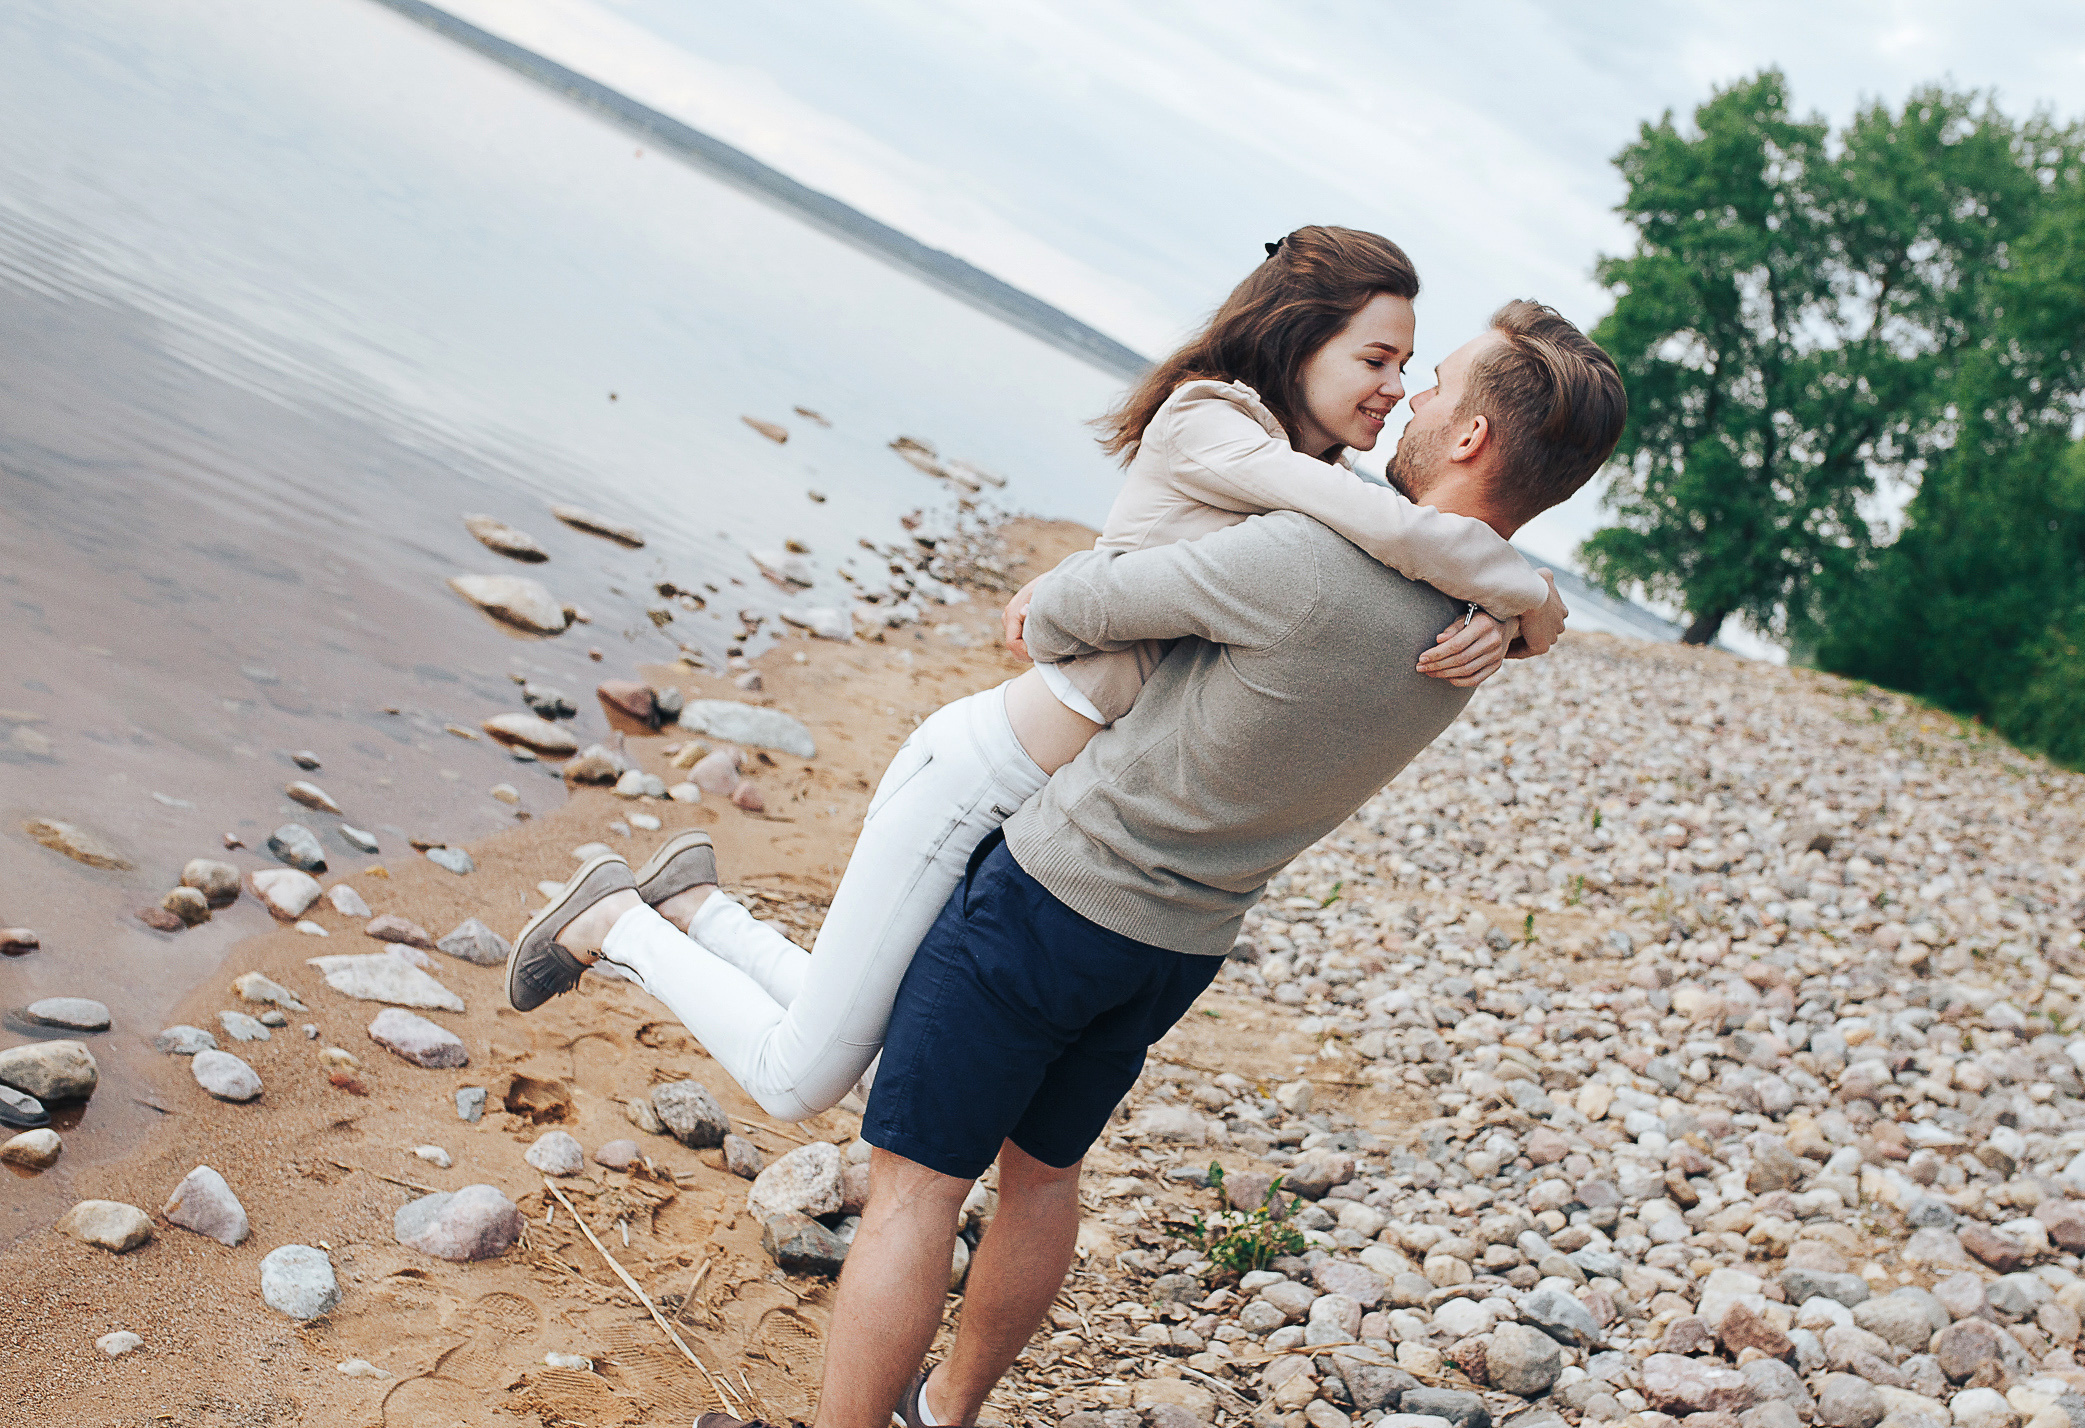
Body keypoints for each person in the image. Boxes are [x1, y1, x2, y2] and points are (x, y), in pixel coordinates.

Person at [640, 299, 1622, 1428]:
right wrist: (1530, 609)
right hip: (1181, 945)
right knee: (1044, 1173)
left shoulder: (1310, 561)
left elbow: (1070, 612)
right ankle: (942, 1419)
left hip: (1053, 898)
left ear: (1475, 432)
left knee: (913, 1189)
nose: (1412, 400)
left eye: (1432, 388)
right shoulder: (1471, 634)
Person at [502, 228, 1570, 1123]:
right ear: (1302, 338)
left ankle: (694, 905)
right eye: (1377, 359)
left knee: (876, 1053)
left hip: (1054, 819)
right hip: (982, 769)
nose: (1394, 389)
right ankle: (617, 923)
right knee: (798, 1081)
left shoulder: (1312, 483)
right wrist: (1521, 594)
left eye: (1406, 369)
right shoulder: (1214, 421)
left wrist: (1510, 614)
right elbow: (1391, 527)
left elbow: (1386, 554)